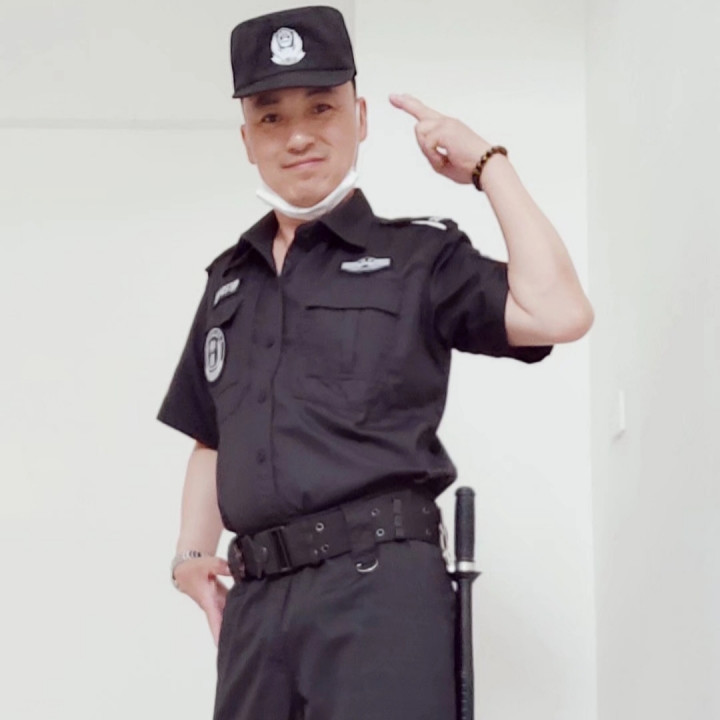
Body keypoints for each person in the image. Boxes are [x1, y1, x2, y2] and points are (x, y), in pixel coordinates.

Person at [157, 6, 594, 720]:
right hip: (257, 606)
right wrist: (189, 555)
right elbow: (210, 436)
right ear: (247, 140)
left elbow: (559, 313)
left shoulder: (419, 257)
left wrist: (489, 165)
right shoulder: (229, 282)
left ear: (359, 118)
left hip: (378, 593)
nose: (299, 135)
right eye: (271, 118)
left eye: (321, 108)